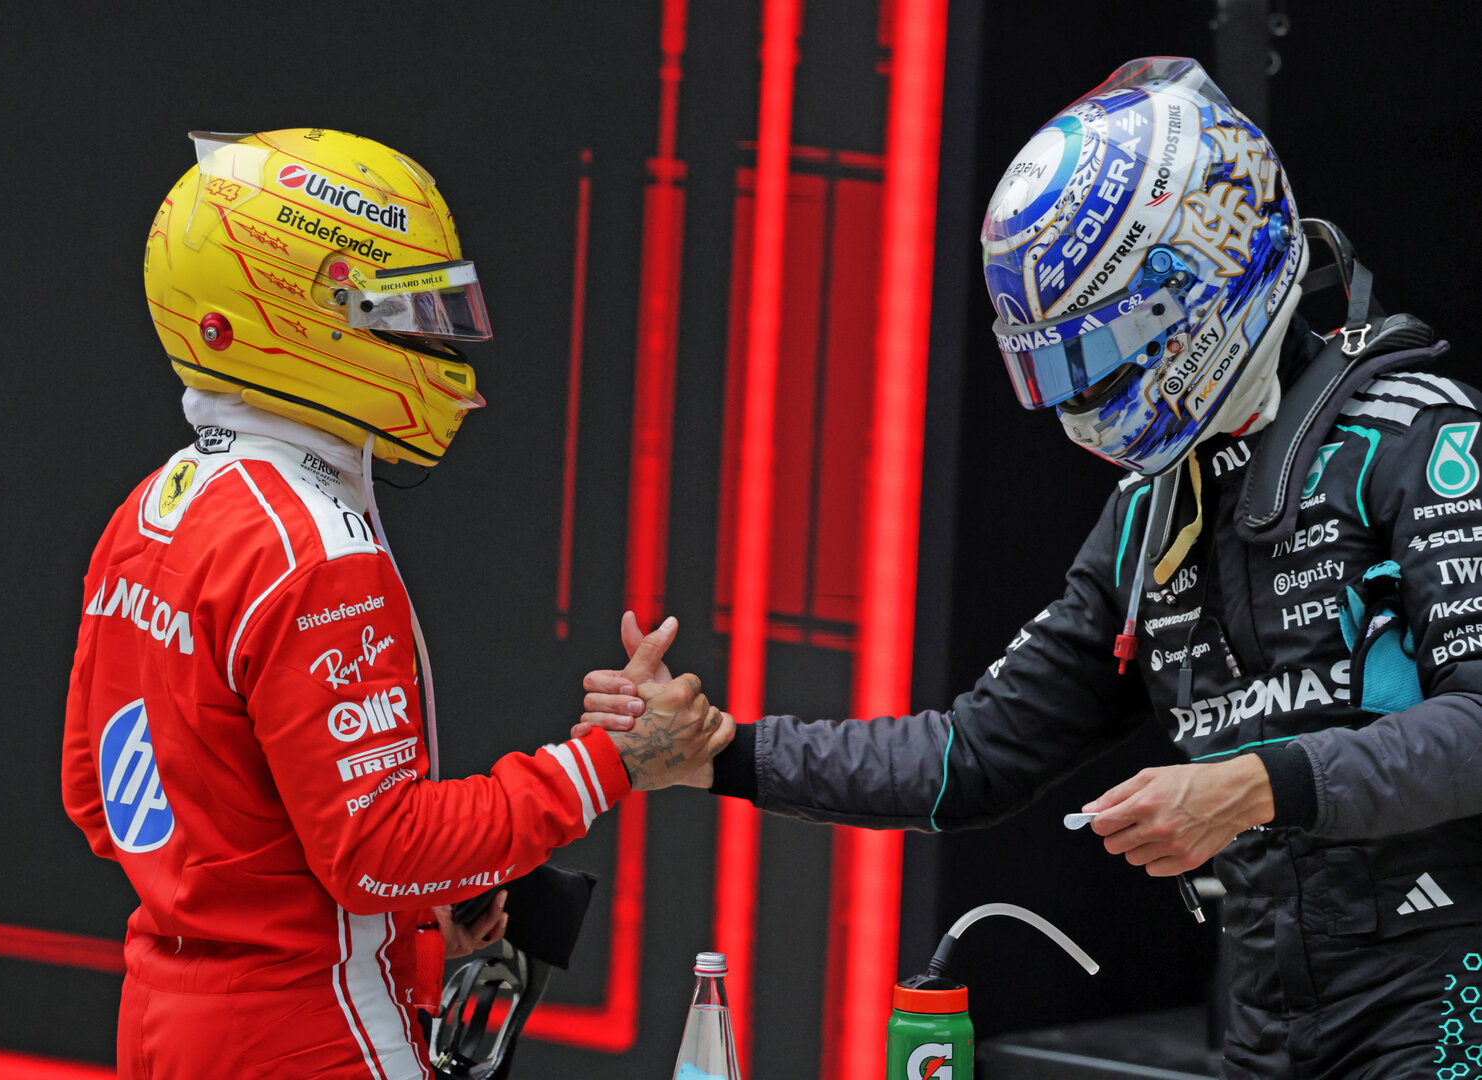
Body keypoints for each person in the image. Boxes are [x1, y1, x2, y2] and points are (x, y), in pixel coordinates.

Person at [579, 59, 1482, 1077]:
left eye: (1096, 354)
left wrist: (1252, 785)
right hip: (1268, 1019)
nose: (1078, 398)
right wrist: (722, 751)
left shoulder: (1420, 441)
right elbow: (976, 755)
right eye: (1052, 367)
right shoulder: (1150, 516)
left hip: (1448, 1000)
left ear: (1200, 280)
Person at [61, 129, 731, 1080]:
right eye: (407, 312)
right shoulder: (318, 548)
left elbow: (98, 800)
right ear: (294, 318)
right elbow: (376, 849)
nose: (437, 341)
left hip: (164, 1023)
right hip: (313, 1031)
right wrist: (608, 762)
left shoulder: (151, 508)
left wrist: (392, 922)